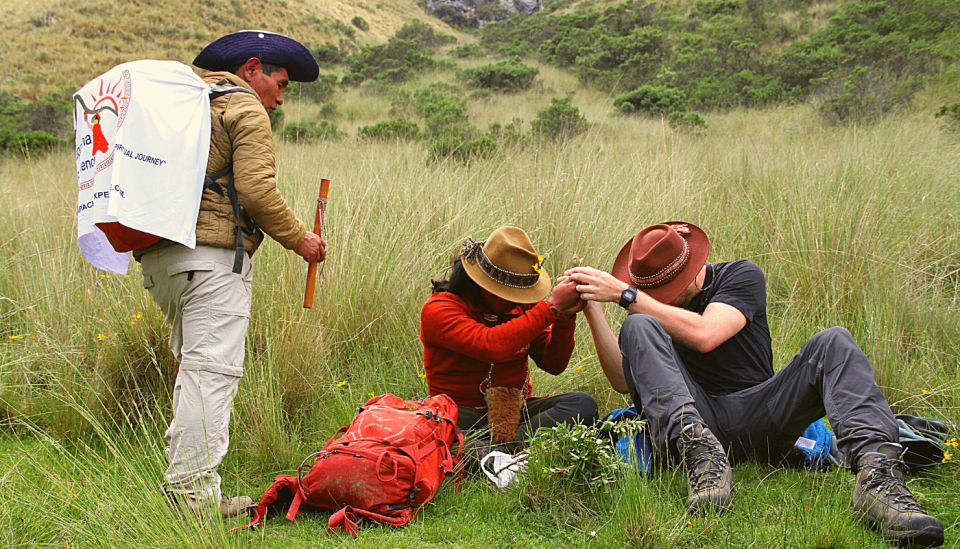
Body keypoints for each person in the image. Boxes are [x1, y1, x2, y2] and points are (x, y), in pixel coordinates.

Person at [565, 221, 944, 547]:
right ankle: (702, 460)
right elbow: (620, 380)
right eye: (652, 291)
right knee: (637, 325)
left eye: (670, 289)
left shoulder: (741, 276)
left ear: (693, 268)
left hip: (763, 414)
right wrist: (593, 307)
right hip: (697, 422)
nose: (661, 299)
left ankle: (879, 481)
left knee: (835, 341)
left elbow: (706, 334)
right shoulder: (646, 311)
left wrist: (628, 296)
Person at [136, 31, 326, 518]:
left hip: (160, 261)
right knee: (211, 375)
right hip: (211, 259)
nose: (281, 97)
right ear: (252, 69)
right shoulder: (245, 108)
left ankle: (185, 484)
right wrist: (302, 239)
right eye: (280, 83)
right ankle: (193, 499)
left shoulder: (187, 106)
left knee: (193, 373)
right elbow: (258, 192)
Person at [420, 226, 598, 458]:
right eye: (509, 293)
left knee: (581, 405)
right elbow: (490, 346)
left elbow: (554, 364)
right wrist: (551, 308)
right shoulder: (439, 309)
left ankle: (496, 454)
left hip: (512, 414)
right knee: (443, 442)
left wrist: (564, 318)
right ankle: (506, 454)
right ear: (481, 283)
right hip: (457, 417)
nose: (517, 301)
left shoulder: (522, 307)